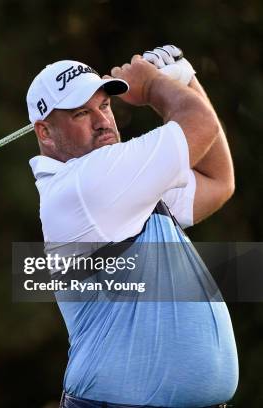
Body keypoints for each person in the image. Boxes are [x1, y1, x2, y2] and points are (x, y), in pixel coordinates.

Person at [26, 46, 238, 408]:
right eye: (81, 113)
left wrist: (185, 81)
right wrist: (153, 85)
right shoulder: (84, 185)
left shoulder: (121, 185)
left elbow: (218, 181)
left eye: (105, 106)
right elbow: (200, 126)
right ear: (45, 132)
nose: (103, 121)